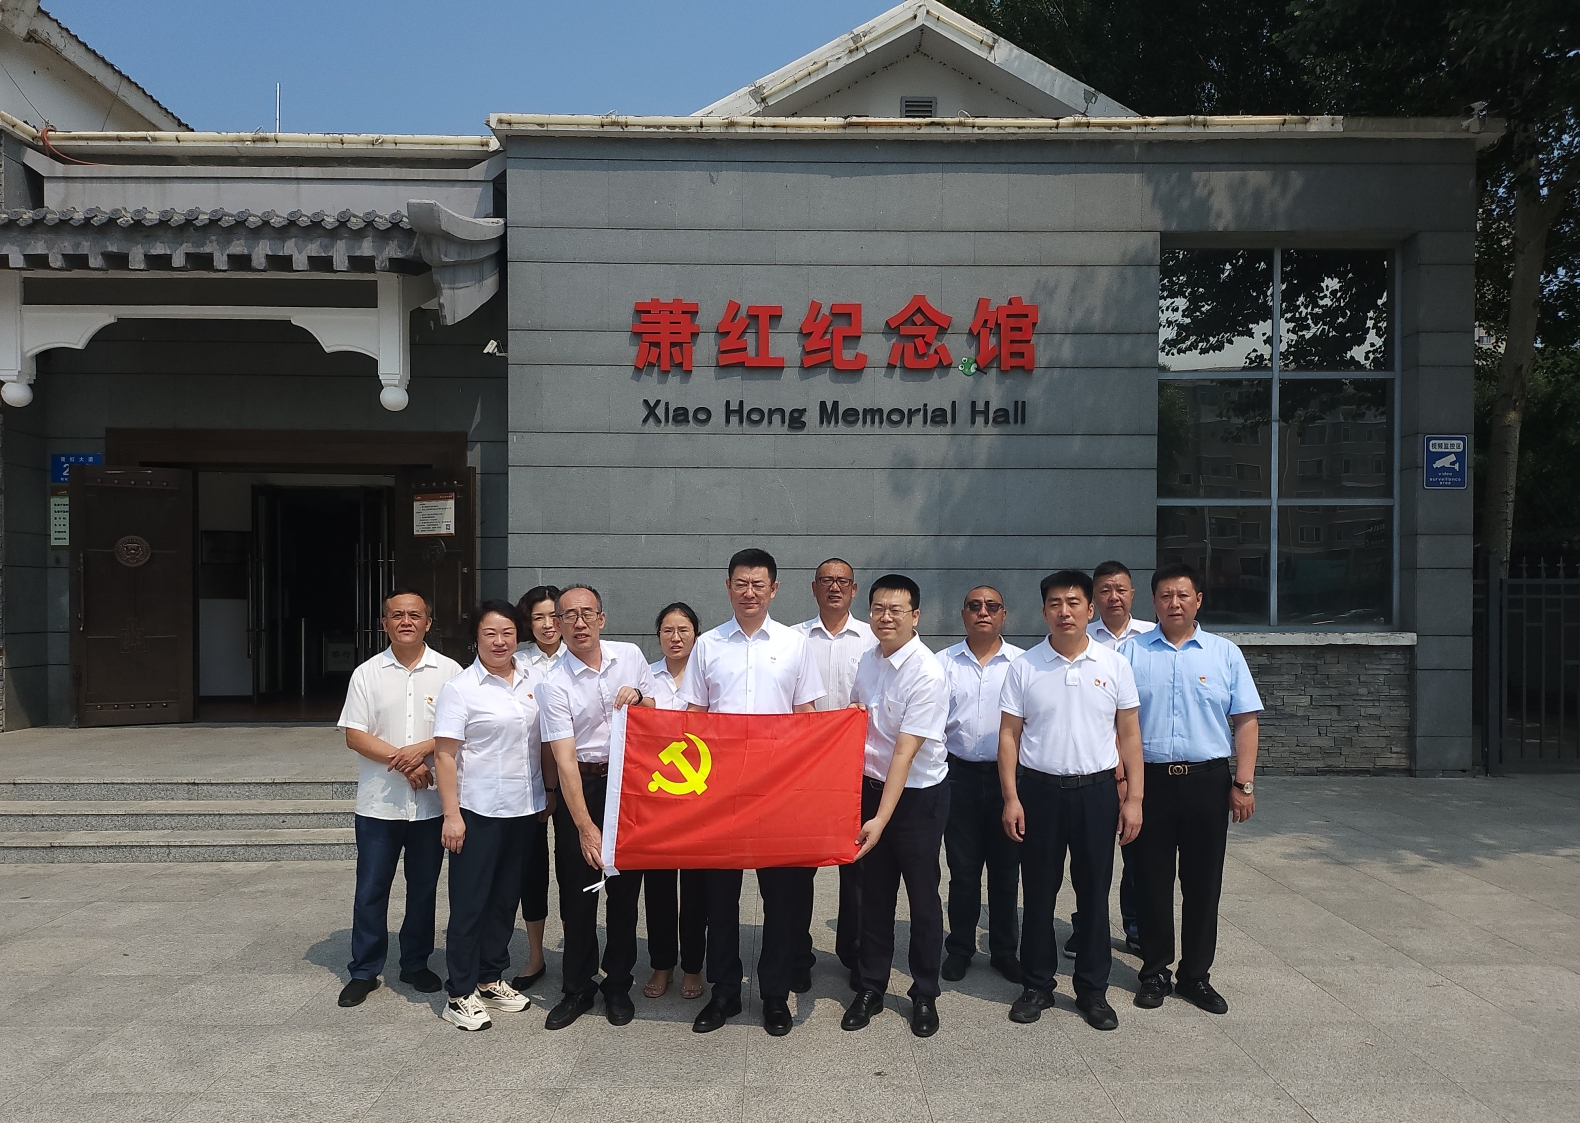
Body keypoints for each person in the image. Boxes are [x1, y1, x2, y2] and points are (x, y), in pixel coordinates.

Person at [679, 547, 825, 1036]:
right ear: (728, 587)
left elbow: (807, 717)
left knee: (782, 898)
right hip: (720, 792)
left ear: (774, 589)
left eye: (758, 584)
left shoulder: (794, 644)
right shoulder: (707, 646)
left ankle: (774, 994)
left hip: (777, 792)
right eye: (740, 584)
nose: (749, 593)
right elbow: (694, 718)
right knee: (719, 899)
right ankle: (723, 992)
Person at [999, 570, 1143, 1032]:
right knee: (1039, 892)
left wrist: (1134, 798)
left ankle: (1092, 990)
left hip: (1096, 794)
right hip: (1039, 792)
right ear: (1044, 611)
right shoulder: (1025, 666)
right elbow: (1009, 736)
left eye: (1074, 602)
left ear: (1089, 609)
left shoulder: (1113, 664)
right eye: (1055, 603)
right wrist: (1011, 797)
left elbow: (1129, 734)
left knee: (1094, 893)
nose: (1065, 611)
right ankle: (1037, 984)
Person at [1122, 561, 1262, 1016]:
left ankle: (1196, 975)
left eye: (1183, 595)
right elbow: (1115, 723)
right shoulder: (1130, 653)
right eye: (1165, 596)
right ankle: (1154, 971)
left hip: (1207, 782)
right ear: (1153, 602)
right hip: (1149, 782)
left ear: (1198, 600)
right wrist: (1123, 783)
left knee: (1203, 883)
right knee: (1151, 881)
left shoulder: (1224, 653)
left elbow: (1245, 720)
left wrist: (1243, 783)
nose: (1174, 603)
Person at [537, 584, 657, 1029]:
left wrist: (640, 698)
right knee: (577, 890)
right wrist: (586, 826)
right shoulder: (552, 682)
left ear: (602, 619)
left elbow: (656, 708)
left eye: (587, 613)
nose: (579, 623)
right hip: (582, 786)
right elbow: (565, 760)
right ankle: (577, 987)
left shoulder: (630, 657)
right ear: (557, 624)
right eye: (569, 615)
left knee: (624, 890)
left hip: (629, 785)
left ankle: (618, 984)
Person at [335, 590, 462, 1007]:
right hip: (379, 805)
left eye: (414, 615)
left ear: (428, 622)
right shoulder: (366, 674)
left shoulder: (450, 672)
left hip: (431, 805)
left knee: (423, 889)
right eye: (397, 615)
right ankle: (364, 970)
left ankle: (415, 963)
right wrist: (407, 763)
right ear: (384, 623)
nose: (406, 621)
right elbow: (355, 735)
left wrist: (421, 750)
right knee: (371, 889)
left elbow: (461, 729)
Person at [432, 600, 551, 1031]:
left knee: (505, 898)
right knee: (470, 902)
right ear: (476, 639)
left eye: (507, 633)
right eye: (490, 634)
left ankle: (489, 977)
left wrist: (548, 794)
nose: (500, 642)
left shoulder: (534, 680)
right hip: (477, 810)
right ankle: (459, 992)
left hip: (524, 807)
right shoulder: (461, 689)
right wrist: (451, 815)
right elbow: (445, 755)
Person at [842, 574, 951, 1039]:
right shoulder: (869, 659)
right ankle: (871, 986)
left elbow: (904, 754)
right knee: (873, 895)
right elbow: (854, 723)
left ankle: (925, 992)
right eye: (878, 609)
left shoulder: (927, 672)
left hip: (917, 799)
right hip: (870, 790)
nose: (885, 617)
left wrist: (881, 820)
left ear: (915, 616)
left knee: (922, 899)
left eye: (896, 610)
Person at [794, 558, 876, 987]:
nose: (834, 587)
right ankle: (797, 953)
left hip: (860, 767)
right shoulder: (793, 639)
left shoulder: (873, 638)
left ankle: (855, 953)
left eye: (842, 581)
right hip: (805, 769)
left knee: (858, 865)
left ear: (854, 589)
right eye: (826, 580)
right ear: (813, 588)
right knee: (798, 865)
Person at [1067, 560, 1155, 959]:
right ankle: (1086, 925)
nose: (1113, 597)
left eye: (1120, 589)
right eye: (1104, 590)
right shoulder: (1079, 638)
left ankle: (1135, 925)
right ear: (1092, 600)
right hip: (1096, 766)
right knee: (1091, 858)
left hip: (1141, 763)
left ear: (1133, 594)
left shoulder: (1152, 638)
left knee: (1138, 853)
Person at [938, 585, 1024, 984]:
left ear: (1004, 615)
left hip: (1010, 780)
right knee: (963, 870)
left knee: (1006, 870)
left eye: (992, 606)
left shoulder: (1022, 665)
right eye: (974, 606)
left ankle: (1005, 950)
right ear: (963, 614)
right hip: (959, 777)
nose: (983, 612)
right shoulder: (943, 663)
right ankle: (960, 947)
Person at [643, 602, 708, 1002]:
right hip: (656, 797)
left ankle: (694, 966)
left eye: (683, 630)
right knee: (659, 886)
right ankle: (662, 962)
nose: (676, 637)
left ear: (696, 635)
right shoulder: (645, 678)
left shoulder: (708, 675)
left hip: (701, 796)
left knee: (697, 886)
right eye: (667, 630)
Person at [509, 584, 563, 992]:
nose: (548, 624)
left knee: (574, 866)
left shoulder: (578, 657)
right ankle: (535, 954)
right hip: (526, 780)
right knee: (532, 869)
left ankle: (580, 950)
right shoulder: (517, 662)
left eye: (554, 615)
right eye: (538, 617)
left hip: (575, 778)